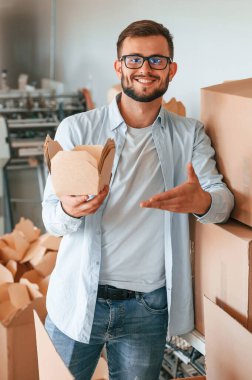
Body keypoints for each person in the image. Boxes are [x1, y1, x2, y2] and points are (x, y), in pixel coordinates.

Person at [42, 20, 234, 380]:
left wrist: (202, 202)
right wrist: (69, 210)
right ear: (119, 66)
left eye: (157, 60)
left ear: (171, 69)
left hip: (147, 309)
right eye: (133, 60)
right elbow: (50, 216)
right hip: (78, 299)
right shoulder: (77, 128)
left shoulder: (189, 134)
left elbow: (222, 202)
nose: (145, 69)